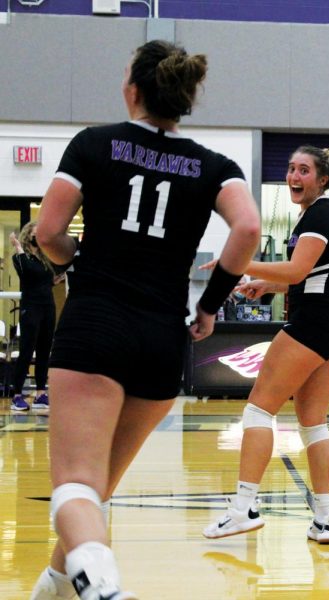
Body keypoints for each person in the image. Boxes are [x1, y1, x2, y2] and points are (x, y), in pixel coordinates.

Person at [29, 40, 260, 600]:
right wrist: (210, 306)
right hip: (163, 337)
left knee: (76, 484)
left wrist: (70, 258)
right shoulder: (214, 166)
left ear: (132, 87)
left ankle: (102, 586)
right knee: (96, 488)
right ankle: (55, 587)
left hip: (96, 325)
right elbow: (248, 229)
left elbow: (48, 233)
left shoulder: (93, 144)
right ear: (183, 96)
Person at [202, 145, 329, 548]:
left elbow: (299, 269)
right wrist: (269, 285)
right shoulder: (314, 215)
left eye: (303, 170)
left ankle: (244, 508)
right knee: (313, 423)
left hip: (313, 323)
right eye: (290, 168)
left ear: (322, 179)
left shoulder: (320, 212)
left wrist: (240, 265)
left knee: (257, 409)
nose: (294, 176)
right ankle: (325, 519)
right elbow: (308, 277)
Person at [8, 223, 63, 412]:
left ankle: (40, 394)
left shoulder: (43, 259)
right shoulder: (20, 257)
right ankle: (17, 395)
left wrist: (59, 278)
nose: (38, 236)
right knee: (26, 350)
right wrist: (18, 246)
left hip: (48, 307)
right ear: (28, 235)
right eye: (35, 233)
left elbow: (49, 280)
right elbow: (25, 272)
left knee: (44, 351)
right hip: (31, 308)